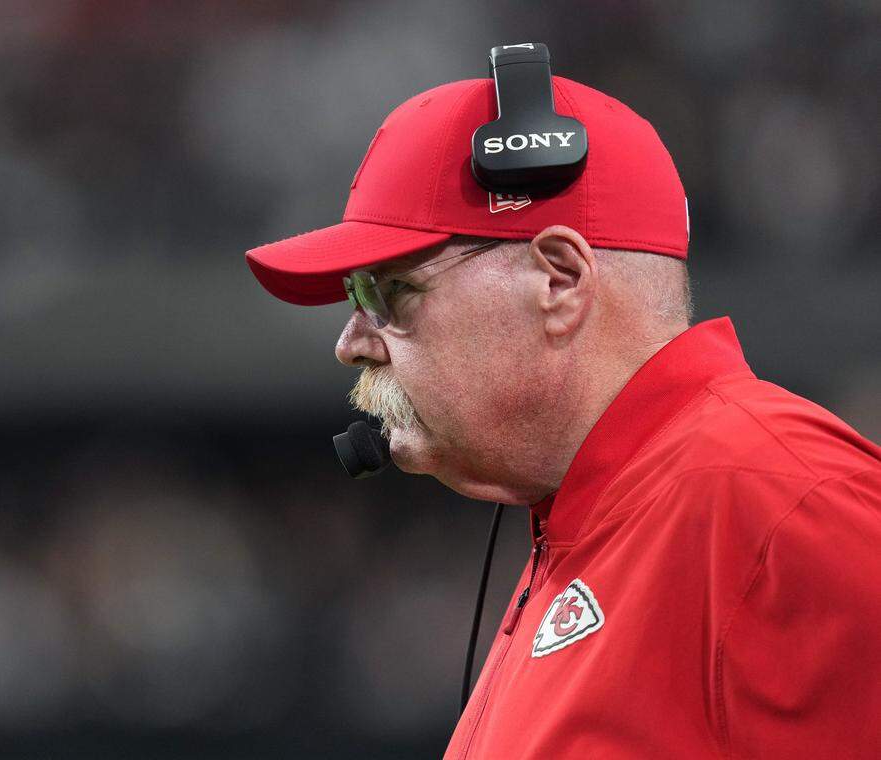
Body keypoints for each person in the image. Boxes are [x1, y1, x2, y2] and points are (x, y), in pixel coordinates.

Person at [243, 70, 881, 758]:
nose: (350, 343)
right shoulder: (599, 514)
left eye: (387, 292)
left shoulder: (784, 505)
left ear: (559, 280)